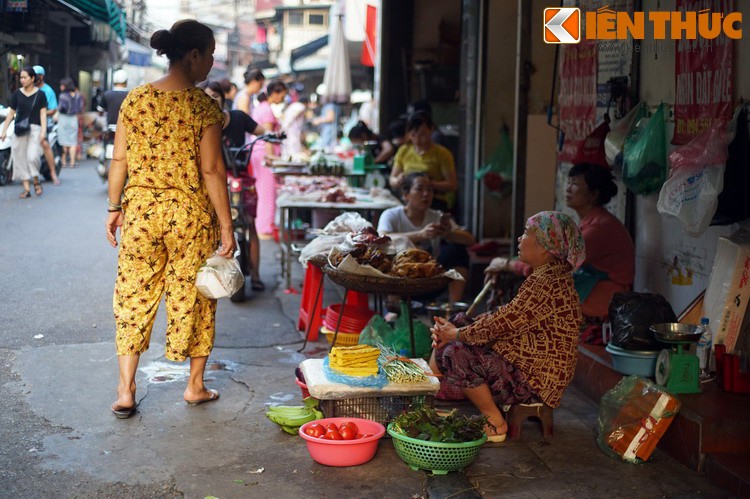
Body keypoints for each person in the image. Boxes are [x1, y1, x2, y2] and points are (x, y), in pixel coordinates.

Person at [105, 19, 235, 419]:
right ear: (193, 55)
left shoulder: (136, 100)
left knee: (133, 294)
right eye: (210, 55)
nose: (211, 63)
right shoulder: (202, 107)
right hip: (189, 218)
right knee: (195, 293)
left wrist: (113, 208)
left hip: (141, 214)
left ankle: (126, 390)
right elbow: (213, 171)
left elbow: (120, 160)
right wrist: (228, 228)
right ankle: (194, 386)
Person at [429, 211, 585, 442]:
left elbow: (502, 324)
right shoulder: (547, 276)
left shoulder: (547, 284)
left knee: (456, 351)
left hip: (535, 380)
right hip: (526, 364)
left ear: (544, 247)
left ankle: (494, 422)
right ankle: (433, 381)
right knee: (460, 321)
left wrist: (456, 334)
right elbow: (507, 317)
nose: (519, 239)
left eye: (526, 233)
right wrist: (455, 330)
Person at [485, 163, 634, 322]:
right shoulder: (592, 221)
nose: (568, 188)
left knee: (518, 279)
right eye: (569, 182)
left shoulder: (600, 228)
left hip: (605, 297)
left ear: (593, 194)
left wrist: (504, 263)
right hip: (589, 285)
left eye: (575, 184)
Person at [202, 80, 268, 292]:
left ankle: (256, 274)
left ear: (223, 98)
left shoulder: (239, 117)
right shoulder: (200, 124)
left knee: (251, 224)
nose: (212, 101)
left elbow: (261, 130)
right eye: (207, 96)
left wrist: (270, 135)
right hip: (214, 182)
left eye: (215, 96)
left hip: (242, 178)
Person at [378, 173, 475, 302]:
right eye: (419, 189)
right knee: (388, 254)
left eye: (429, 190)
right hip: (400, 281)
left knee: (458, 251)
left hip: (429, 278)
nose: (426, 194)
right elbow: (381, 238)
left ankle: (454, 309)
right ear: (406, 194)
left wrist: (448, 234)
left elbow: (470, 240)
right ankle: (394, 308)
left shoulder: (437, 216)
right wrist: (420, 235)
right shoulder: (391, 215)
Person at [389, 111, 457, 211]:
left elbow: (452, 185)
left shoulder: (442, 154)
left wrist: (429, 184)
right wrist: (398, 180)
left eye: (422, 134)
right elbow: (392, 179)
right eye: (413, 135)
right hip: (409, 200)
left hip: (434, 201)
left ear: (432, 130)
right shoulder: (404, 150)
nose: (417, 139)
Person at [0, 66, 48, 198]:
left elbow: (43, 114)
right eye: (20, 77)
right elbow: (11, 113)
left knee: (33, 157)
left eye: (24, 77)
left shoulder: (41, 94)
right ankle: (27, 189)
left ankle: (36, 180)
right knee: (19, 157)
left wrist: (43, 132)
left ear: (32, 78)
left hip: (35, 129)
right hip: (19, 129)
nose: (22, 80)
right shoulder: (16, 94)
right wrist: (4, 131)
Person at [250, 80, 287, 238]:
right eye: (282, 96)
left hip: (258, 153)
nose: (283, 99)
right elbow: (267, 137)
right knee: (268, 193)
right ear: (275, 93)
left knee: (264, 192)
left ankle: (264, 226)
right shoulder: (266, 111)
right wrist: (272, 157)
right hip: (264, 154)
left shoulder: (261, 108)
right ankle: (265, 228)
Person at [33, 65, 61, 186]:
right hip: (30, 122)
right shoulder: (28, 89)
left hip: (46, 123)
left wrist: (41, 112)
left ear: (41, 76)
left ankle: (53, 173)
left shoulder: (48, 91)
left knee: (44, 143)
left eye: (35, 75)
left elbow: (53, 109)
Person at [57, 77, 84, 168]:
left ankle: (63, 162)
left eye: (62, 85)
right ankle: (72, 162)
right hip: (74, 119)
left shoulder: (63, 96)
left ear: (65, 86)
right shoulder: (77, 95)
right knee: (73, 141)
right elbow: (80, 108)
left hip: (64, 119)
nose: (60, 87)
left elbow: (61, 108)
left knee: (63, 141)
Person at [281, 94, 308, 158]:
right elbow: (294, 115)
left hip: (288, 131)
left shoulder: (293, 105)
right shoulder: (300, 106)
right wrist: (286, 125)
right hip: (292, 131)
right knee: (294, 152)